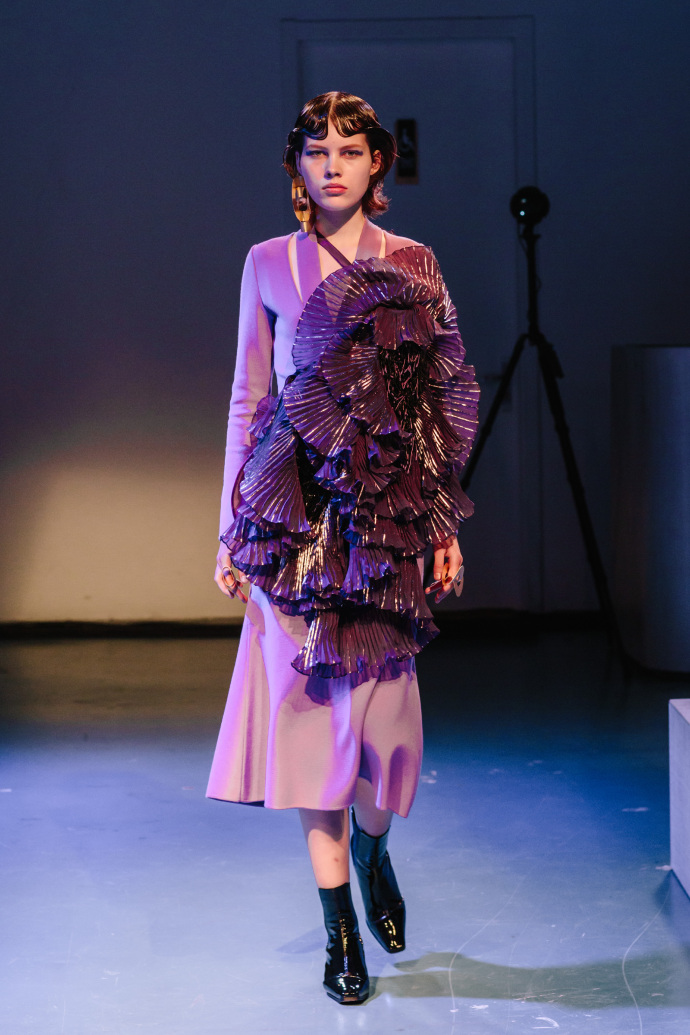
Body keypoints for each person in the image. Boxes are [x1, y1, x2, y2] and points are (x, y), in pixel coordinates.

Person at [206, 92, 479, 1005]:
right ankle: (340, 935)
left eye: (350, 150)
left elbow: (436, 400)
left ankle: (373, 849)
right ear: (297, 165)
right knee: (311, 730)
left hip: (386, 513)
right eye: (317, 150)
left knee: (388, 738)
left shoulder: (414, 262)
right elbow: (249, 397)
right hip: (293, 517)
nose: (333, 165)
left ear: (377, 164)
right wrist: (229, 523)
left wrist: (441, 523)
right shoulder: (266, 262)